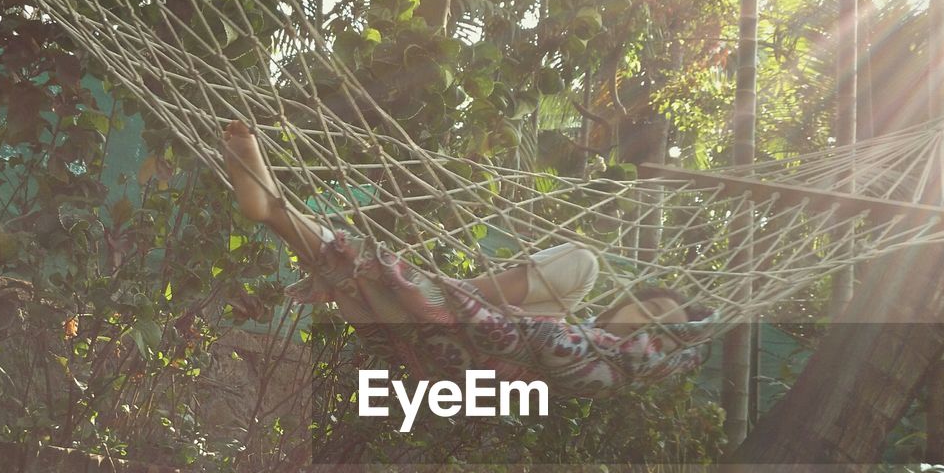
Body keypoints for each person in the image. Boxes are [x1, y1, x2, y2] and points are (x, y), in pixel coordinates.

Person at [221, 121, 696, 335]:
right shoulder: (574, 317)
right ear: (629, 301)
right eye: (651, 312)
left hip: (463, 345)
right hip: (456, 327)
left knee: (374, 285)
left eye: (663, 332)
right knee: (584, 264)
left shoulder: (599, 358)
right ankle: (271, 211)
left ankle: (437, 293)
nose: (651, 329)